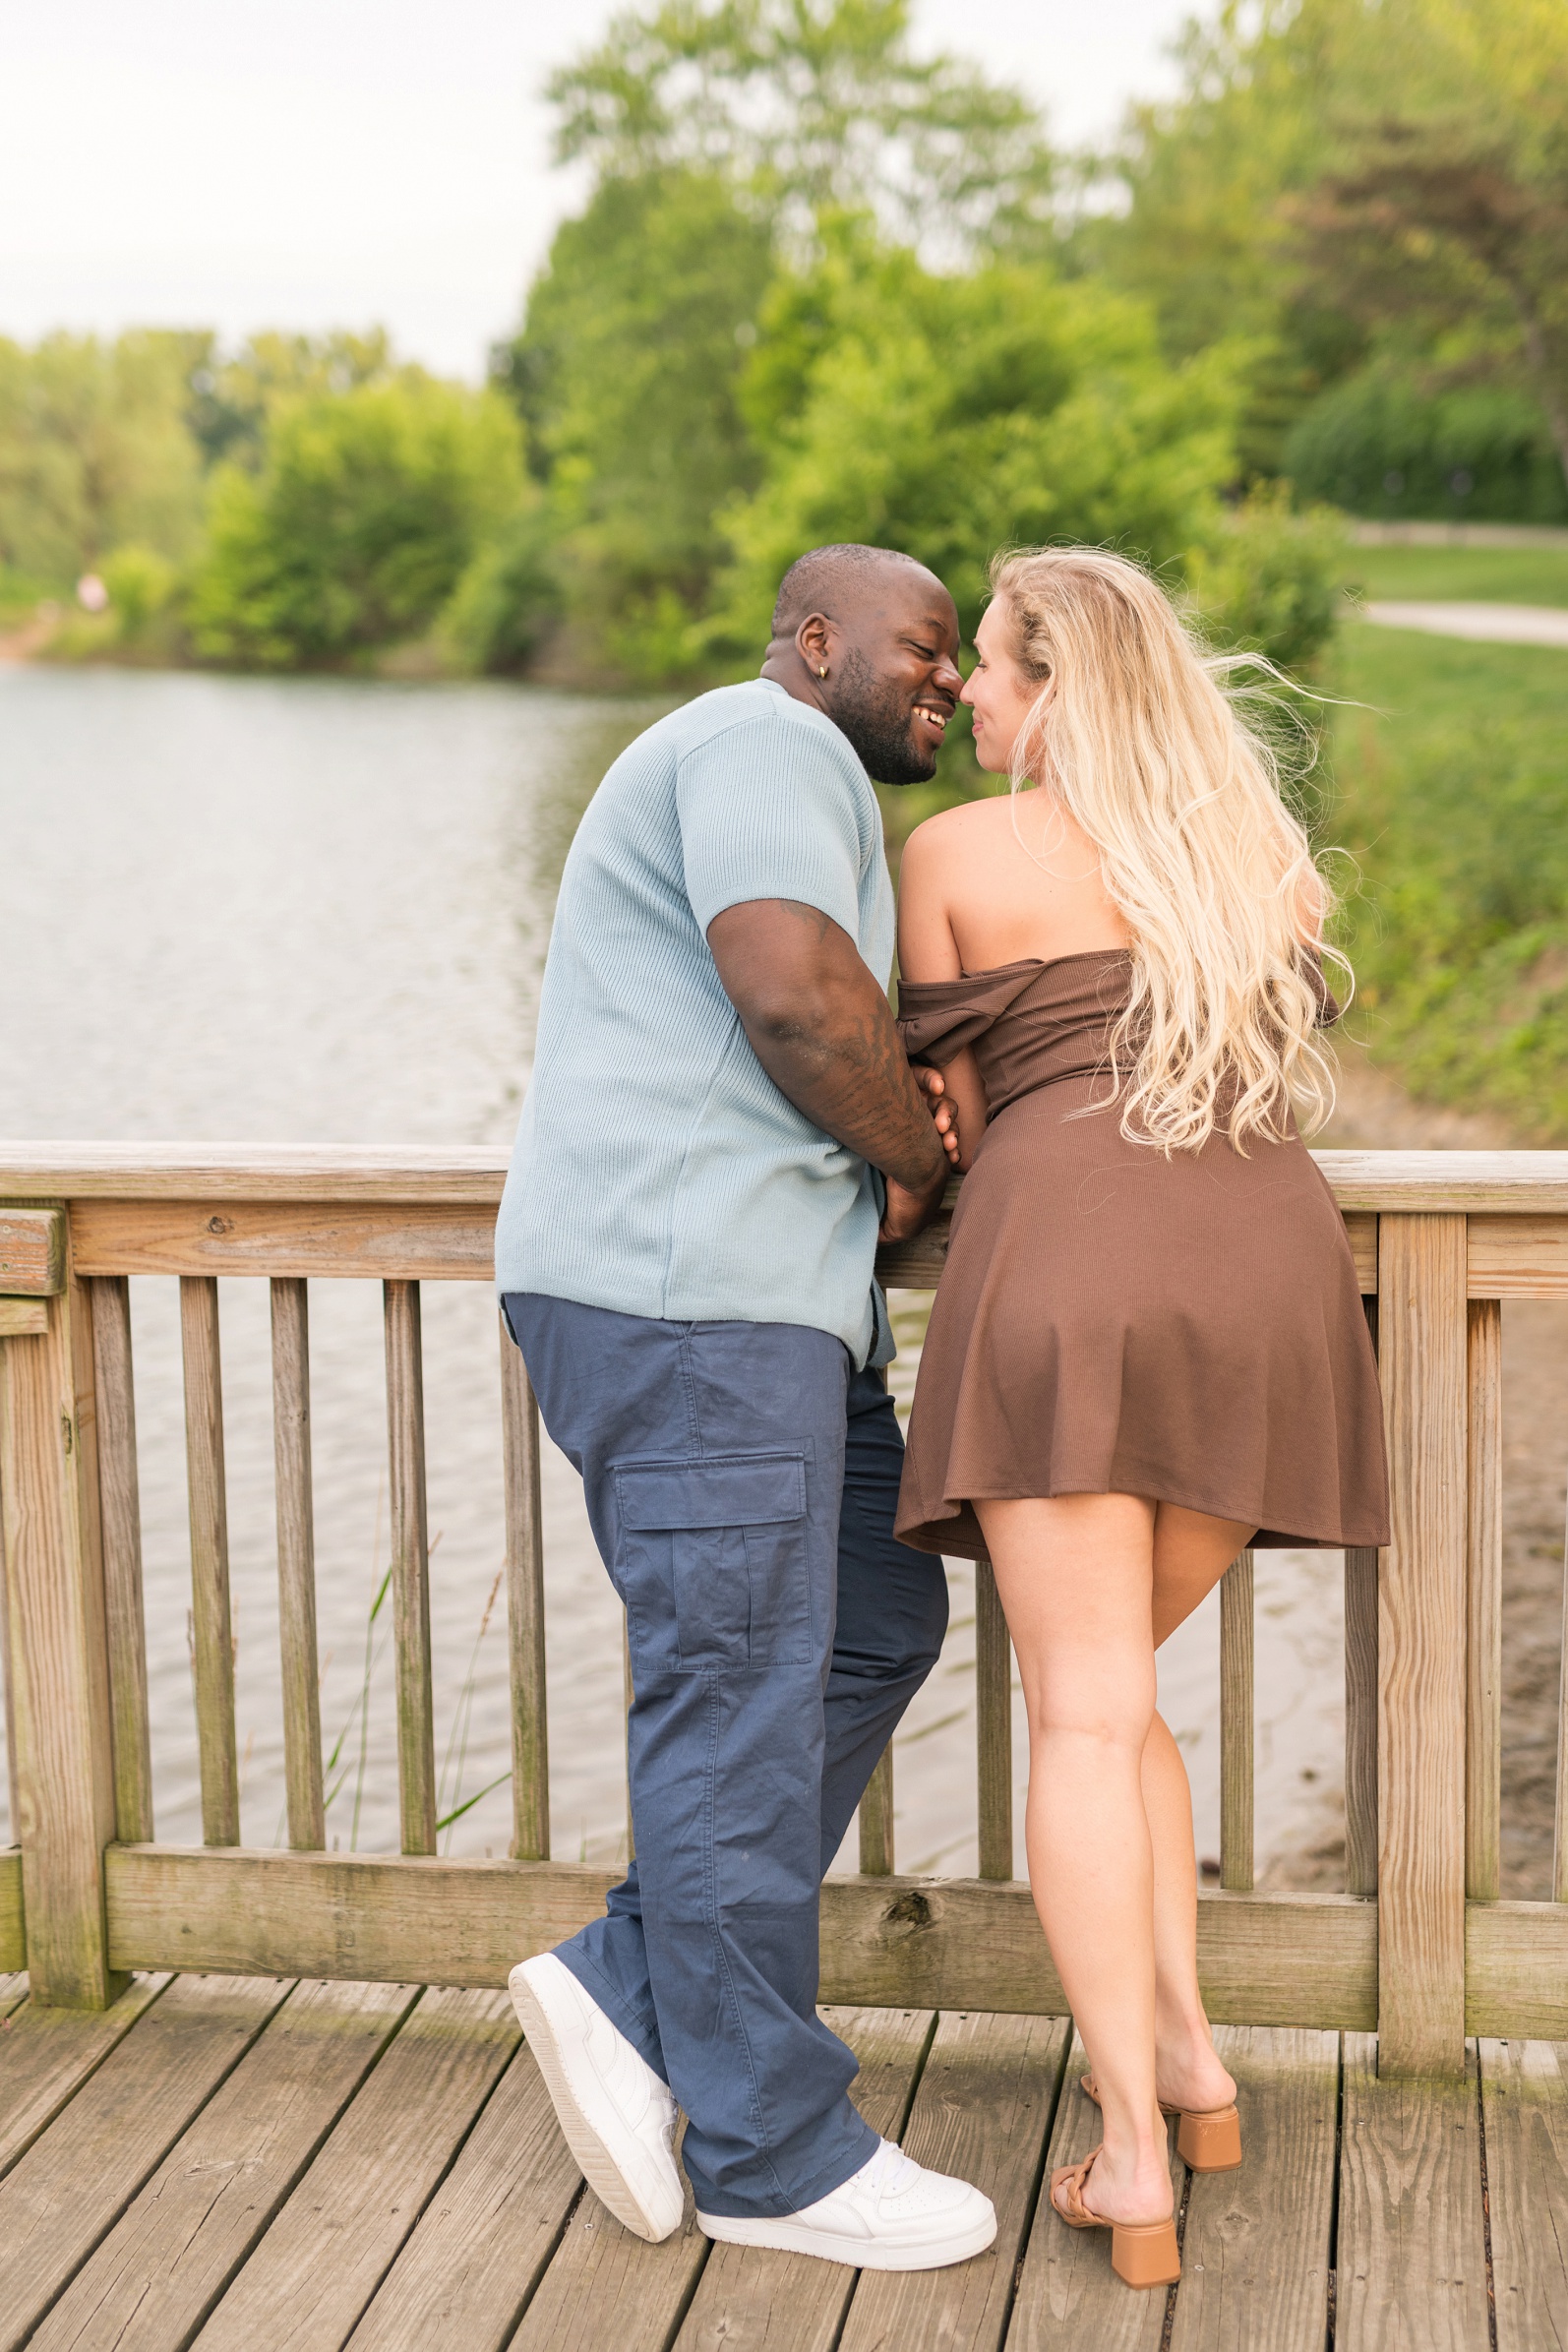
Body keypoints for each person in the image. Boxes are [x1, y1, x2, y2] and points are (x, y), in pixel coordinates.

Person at [494, 544, 998, 2270]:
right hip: (686, 1297)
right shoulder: (763, 740)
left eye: (958, 656)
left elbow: (827, 1003)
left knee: (872, 1620)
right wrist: (913, 1156)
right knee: (732, 1695)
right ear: (817, 641)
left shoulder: (779, 774)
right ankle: (772, 2152)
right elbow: (791, 989)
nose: (945, 679)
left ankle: (629, 1979)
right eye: (922, 648)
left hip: (760, 1314)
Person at [893, 546, 1389, 2292]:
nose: (967, 693)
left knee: (1083, 1719)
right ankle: (1187, 2061)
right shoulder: (1254, 854)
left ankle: (1125, 2156)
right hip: (1267, 1281)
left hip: (1072, 1274)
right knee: (1125, 1707)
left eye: (991, 666)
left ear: (1055, 691)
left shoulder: (951, 857)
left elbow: (955, 1124)